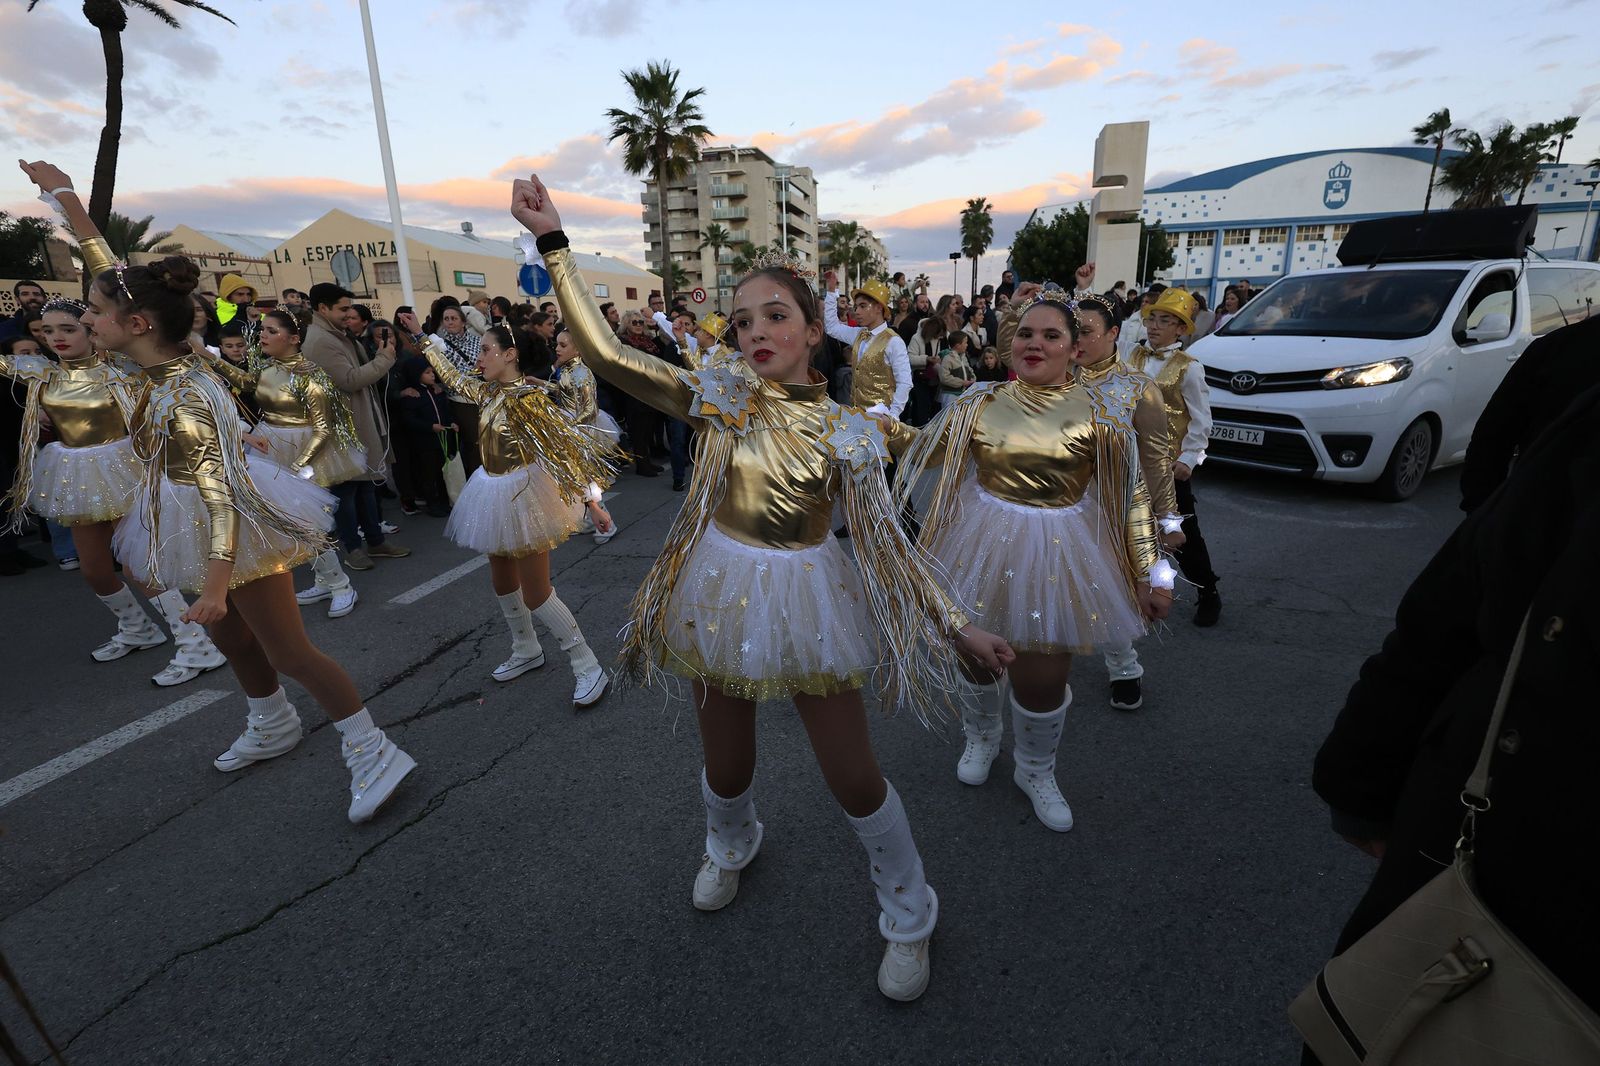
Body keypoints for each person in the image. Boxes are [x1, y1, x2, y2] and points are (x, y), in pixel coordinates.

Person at [516, 172, 1013, 1002]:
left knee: (852, 774)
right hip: (717, 587)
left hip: (811, 597)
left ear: (814, 331)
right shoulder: (719, 400)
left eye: (775, 315)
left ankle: (909, 908)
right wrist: (554, 244)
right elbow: (607, 354)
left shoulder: (848, 432)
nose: (755, 331)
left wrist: (956, 623)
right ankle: (730, 842)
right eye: (741, 320)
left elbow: (889, 546)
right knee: (727, 757)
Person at [85, 254, 417, 820]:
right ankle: (272, 721)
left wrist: (215, 587)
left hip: (233, 522)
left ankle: (373, 749)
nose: (87, 320)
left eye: (94, 312)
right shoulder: (148, 371)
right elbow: (113, 271)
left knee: (290, 650)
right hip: (187, 513)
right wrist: (66, 199)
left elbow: (222, 496)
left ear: (137, 324)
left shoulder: (187, 395)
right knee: (233, 640)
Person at [1310, 381, 1600, 1019]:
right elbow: (1453, 605)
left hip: (1528, 819)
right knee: (1405, 1013)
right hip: (1500, 823)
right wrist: (1360, 784)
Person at [888, 288, 1172, 831]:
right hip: (979, 541)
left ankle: (1036, 768)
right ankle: (982, 736)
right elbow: (926, 448)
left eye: (1051, 335)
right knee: (974, 656)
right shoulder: (979, 401)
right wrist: (870, 427)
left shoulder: (1101, 412)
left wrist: (1149, 573)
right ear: (1009, 343)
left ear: (1074, 350)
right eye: (1025, 333)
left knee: (1041, 678)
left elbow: (1131, 496)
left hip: (1061, 554)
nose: (1035, 343)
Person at [6, 160, 226, 684]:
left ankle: (194, 641)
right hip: (73, 475)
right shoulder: (41, 375)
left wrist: (65, 198)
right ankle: (138, 628)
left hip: (129, 468)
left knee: (141, 563)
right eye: (51, 329)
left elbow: (111, 272)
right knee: (95, 569)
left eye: (77, 322)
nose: (67, 333)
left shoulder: (123, 367)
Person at [400, 314, 616, 704]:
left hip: (526, 496)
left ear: (510, 354)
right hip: (492, 490)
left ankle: (587, 664)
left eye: (486, 351)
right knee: (501, 578)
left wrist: (592, 502)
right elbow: (450, 375)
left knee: (536, 592)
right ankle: (525, 648)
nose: (479, 359)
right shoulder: (487, 393)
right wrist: (421, 337)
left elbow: (564, 455)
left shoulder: (530, 400)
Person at [200, 308, 367, 620]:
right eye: (263, 330)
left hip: (305, 452)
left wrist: (298, 466)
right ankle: (324, 579)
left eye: (272, 331)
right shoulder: (268, 368)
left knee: (304, 523)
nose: (263, 335)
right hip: (269, 444)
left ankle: (342, 585)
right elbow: (248, 383)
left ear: (293, 339)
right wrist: (207, 357)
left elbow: (324, 429)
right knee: (289, 521)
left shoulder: (312, 377)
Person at [1070, 285, 1187, 710]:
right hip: (1060, 504)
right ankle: (1048, 663)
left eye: (1086, 331)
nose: (1076, 340)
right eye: (1072, 330)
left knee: (1111, 587)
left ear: (1114, 332)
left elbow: (1157, 460)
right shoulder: (1057, 382)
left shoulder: (1139, 388)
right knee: (1054, 580)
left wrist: (1168, 519)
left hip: (1116, 507)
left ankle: (1124, 666)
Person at [1127, 288, 1222, 626]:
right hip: (1131, 458)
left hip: (1168, 467)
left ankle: (1207, 590)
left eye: (1164, 321)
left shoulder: (1189, 368)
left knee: (1181, 533)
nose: (1154, 326)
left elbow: (1201, 419)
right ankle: (1148, 588)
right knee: (1133, 526)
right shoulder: (1132, 357)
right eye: (1152, 318)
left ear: (1180, 329)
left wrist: (1189, 458)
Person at [302, 282, 411, 572]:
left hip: (356, 421)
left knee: (364, 487)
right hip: (342, 426)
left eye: (349, 308)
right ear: (323, 308)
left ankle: (375, 541)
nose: (349, 314)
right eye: (343, 308)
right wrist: (385, 357)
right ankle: (352, 548)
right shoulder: (321, 340)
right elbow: (349, 380)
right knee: (347, 491)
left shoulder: (337, 334)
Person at [1459, 314, 1600, 513]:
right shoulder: (1555, 350)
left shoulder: (1557, 349)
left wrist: (1482, 516)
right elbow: (1492, 438)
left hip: (1539, 521)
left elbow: (1491, 439)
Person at [550, 325, 621, 545]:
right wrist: (540, 384)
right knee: (572, 476)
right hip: (568, 425)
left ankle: (607, 523)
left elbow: (590, 409)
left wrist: (571, 426)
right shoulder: (568, 369)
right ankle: (588, 521)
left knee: (586, 478)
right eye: (557, 344)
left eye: (563, 345)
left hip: (581, 429)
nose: (557, 349)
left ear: (578, 349)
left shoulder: (582, 373)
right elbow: (563, 392)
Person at [821, 272, 911, 420]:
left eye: (863, 306)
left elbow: (905, 382)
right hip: (858, 417)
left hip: (882, 421)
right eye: (856, 307)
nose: (856, 312)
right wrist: (831, 291)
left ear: (878, 308)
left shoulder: (893, 341)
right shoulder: (859, 334)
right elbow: (831, 327)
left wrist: (892, 416)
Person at [396, 358, 453, 518]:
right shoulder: (412, 396)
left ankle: (444, 501)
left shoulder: (435, 392)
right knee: (428, 474)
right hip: (425, 443)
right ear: (416, 375)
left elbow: (445, 412)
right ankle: (432, 503)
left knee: (442, 473)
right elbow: (410, 420)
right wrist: (430, 427)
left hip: (441, 439)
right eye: (427, 373)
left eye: (432, 371)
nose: (432, 375)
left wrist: (451, 423)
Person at [0, 280, 47, 344]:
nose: (32, 297)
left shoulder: (57, 321)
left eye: (36, 294)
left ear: (45, 299)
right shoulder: (5, 329)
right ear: (17, 300)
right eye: (25, 294)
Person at [936, 330, 975, 405]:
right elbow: (944, 378)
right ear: (958, 345)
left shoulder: (963, 357)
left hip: (963, 393)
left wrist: (972, 379)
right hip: (950, 395)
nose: (967, 345)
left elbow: (970, 370)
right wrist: (962, 383)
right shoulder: (947, 359)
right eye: (965, 343)